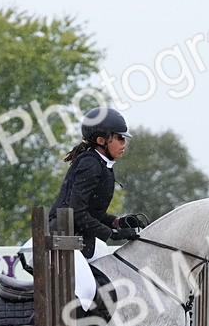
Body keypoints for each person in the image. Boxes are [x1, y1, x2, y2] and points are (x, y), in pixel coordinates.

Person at [49, 107, 148, 258]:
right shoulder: (91, 164)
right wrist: (112, 234)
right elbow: (76, 212)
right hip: (63, 240)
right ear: (100, 140)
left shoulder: (101, 163)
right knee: (90, 283)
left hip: (76, 238)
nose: (124, 143)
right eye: (120, 138)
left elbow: (90, 211)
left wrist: (117, 222)